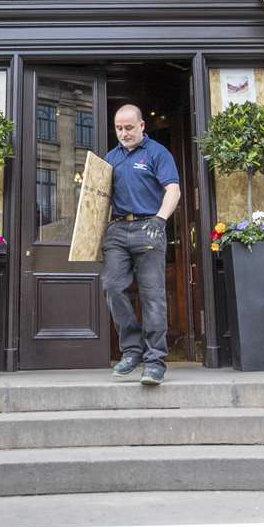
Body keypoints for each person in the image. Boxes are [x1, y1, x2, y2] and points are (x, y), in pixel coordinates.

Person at [101, 103, 182, 386]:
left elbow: (173, 189)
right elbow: (97, 197)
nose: (124, 133)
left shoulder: (158, 154)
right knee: (111, 286)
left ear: (142, 126)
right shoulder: (111, 158)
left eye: (129, 128)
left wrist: (160, 220)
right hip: (118, 230)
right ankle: (132, 351)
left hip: (149, 226)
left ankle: (155, 360)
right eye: (119, 129)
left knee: (153, 295)